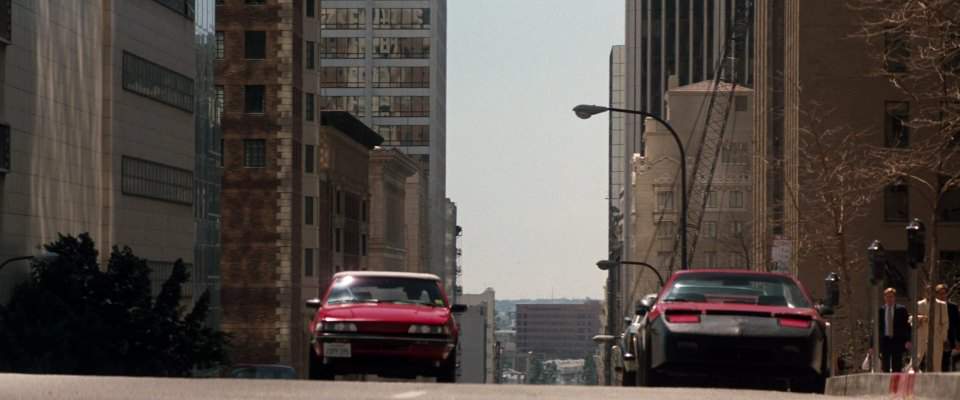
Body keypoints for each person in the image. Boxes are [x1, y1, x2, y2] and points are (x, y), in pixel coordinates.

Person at [913, 285, 950, 372]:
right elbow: (912, 318)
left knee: (936, 363)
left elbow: (945, 323)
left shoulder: (942, 305)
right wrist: (920, 317)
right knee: (915, 361)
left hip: (937, 338)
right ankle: (910, 380)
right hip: (922, 337)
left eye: (931, 292)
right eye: (927, 291)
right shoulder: (919, 304)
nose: (929, 294)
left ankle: (937, 382)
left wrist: (943, 338)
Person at [877, 287, 911, 372]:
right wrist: (872, 345)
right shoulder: (881, 310)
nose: (889, 299)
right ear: (884, 298)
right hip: (885, 341)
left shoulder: (901, 310)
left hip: (897, 340)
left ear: (894, 297)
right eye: (887, 296)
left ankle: (896, 384)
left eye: (891, 296)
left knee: (897, 366)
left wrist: (908, 340)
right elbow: (877, 327)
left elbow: (907, 326)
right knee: (885, 366)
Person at [936, 284, 960, 372]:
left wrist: (958, 340)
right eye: (939, 294)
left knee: (946, 361)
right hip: (935, 338)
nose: (942, 296)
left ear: (946, 294)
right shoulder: (933, 307)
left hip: (948, 338)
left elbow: (957, 325)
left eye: (943, 293)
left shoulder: (953, 307)